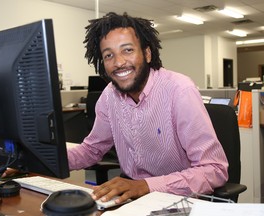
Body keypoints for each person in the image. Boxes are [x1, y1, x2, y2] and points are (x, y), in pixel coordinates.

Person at [67, 12, 228, 205]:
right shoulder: (109, 96)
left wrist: (146, 186)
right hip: (131, 197)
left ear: (147, 53)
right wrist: (49, 158)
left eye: (127, 50)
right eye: (109, 55)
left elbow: (215, 169)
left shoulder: (180, 90)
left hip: (180, 200)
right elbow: (92, 150)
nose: (118, 62)